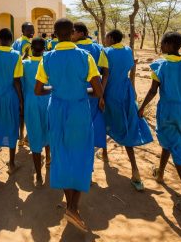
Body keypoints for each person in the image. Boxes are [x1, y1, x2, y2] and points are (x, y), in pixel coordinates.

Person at [35, 18, 104, 232]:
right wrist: (81, 91)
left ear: (55, 34)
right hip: (79, 110)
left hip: (56, 110)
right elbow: (98, 91)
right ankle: (74, 206)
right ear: (73, 32)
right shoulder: (85, 57)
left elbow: (38, 90)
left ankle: (71, 206)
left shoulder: (47, 58)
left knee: (61, 153)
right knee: (82, 154)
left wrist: (55, 90)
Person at [139, 32, 181, 216]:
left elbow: (153, 91)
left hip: (168, 111)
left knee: (177, 148)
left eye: (162, 43)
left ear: (169, 45)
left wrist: (141, 107)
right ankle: (160, 173)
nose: (161, 46)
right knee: (172, 141)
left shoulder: (160, 65)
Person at [98, 29, 153, 191]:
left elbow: (105, 76)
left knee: (105, 120)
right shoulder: (128, 50)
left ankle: (107, 154)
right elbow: (132, 71)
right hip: (126, 91)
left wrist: (100, 96)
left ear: (111, 38)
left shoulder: (105, 52)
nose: (105, 39)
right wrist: (134, 89)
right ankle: (133, 169)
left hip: (111, 92)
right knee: (127, 124)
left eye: (107, 37)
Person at [0, 28, 24, 183]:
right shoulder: (16, 55)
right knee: (11, 127)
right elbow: (16, 80)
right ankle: (12, 164)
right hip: (10, 96)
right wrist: (21, 100)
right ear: (10, 39)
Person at [72, 22, 108, 151]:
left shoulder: (73, 51)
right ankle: (98, 149)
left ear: (81, 33)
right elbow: (105, 73)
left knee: (80, 123)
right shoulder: (99, 48)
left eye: (73, 31)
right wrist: (101, 95)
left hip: (78, 92)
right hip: (96, 91)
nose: (71, 34)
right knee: (95, 120)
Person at [22, 37, 51, 187]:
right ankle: (49, 158)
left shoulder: (24, 64)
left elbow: (21, 85)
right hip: (47, 100)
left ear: (31, 48)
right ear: (45, 48)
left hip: (31, 102)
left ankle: (38, 176)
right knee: (48, 129)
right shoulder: (48, 62)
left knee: (34, 134)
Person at [12, 22, 34, 146]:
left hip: (16, 77)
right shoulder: (27, 44)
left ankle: (21, 136)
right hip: (25, 77)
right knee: (27, 107)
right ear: (23, 30)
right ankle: (28, 137)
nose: (32, 32)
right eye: (29, 29)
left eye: (33, 29)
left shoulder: (17, 41)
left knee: (21, 109)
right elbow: (28, 60)